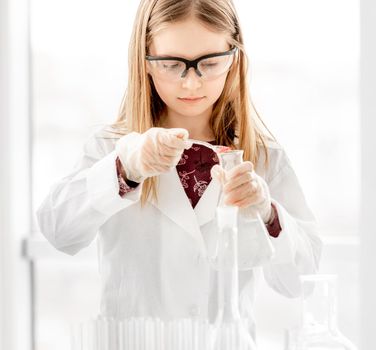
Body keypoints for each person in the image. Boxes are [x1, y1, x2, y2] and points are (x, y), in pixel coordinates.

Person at [36, 0, 322, 340]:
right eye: (172, 65)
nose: (191, 84)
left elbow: (298, 282)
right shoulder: (110, 147)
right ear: (145, 61)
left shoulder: (265, 157)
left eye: (211, 63)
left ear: (235, 58)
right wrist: (126, 168)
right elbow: (58, 230)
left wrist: (266, 211)